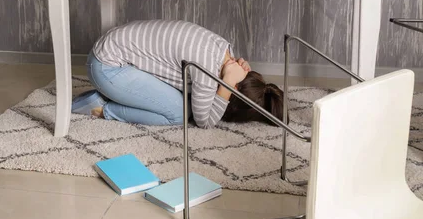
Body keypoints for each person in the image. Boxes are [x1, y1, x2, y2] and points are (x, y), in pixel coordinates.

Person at [72, 20, 284, 128]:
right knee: (180, 113)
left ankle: (113, 93)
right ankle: (104, 109)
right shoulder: (209, 71)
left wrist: (230, 78)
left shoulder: (222, 50)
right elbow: (205, 122)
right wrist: (226, 84)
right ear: (234, 87)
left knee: (186, 101)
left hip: (111, 55)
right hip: (106, 67)